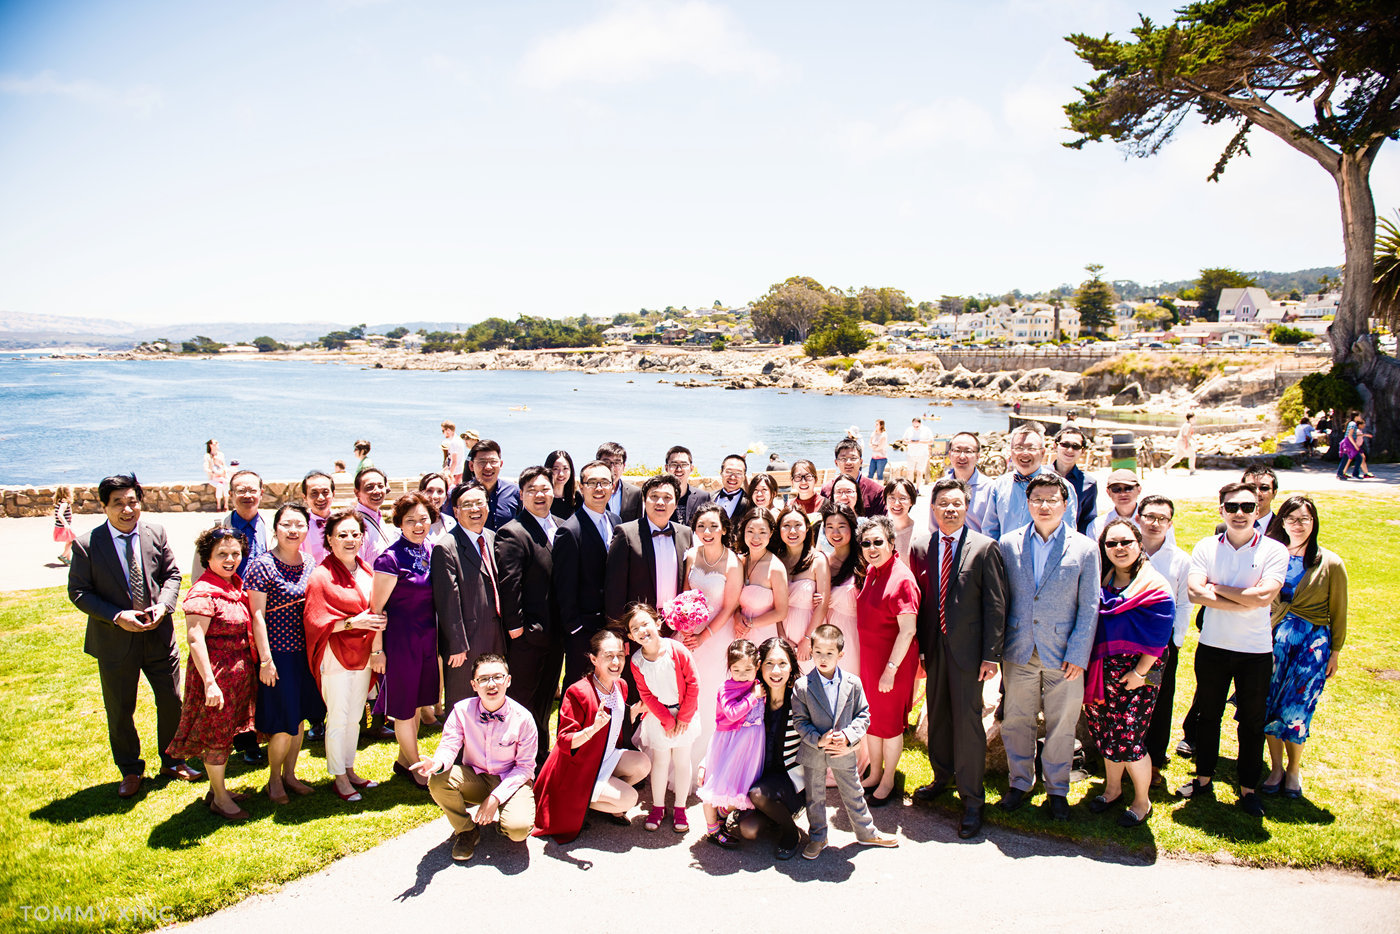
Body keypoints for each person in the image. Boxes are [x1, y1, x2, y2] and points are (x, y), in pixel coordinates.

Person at [68, 474, 198, 798]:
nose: (127, 510)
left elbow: (171, 574)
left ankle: (172, 760)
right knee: (120, 709)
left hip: (158, 637)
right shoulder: (86, 544)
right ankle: (129, 769)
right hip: (115, 642)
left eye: (132, 502)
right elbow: (79, 592)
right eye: (118, 504)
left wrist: (164, 606)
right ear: (104, 506)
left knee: (172, 699)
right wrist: (117, 616)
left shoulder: (156, 532)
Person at [1180, 482, 1288, 817]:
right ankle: (1202, 778)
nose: (1239, 514)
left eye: (1246, 507)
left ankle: (1248, 788)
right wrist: (1244, 598)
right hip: (1212, 646)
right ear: (1221, 510)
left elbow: (1264, 597)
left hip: (1255, 651)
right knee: (1208, 716)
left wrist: (1218, 588)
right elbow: (1195, 593)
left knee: (1252, 723)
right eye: (1231, 507)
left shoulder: (1274, 550)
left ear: (1258, 509)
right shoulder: (1206, 546)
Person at [996, 473, 1099, 822]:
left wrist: (1078, 653)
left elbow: (1089, 607)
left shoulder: (1084, 547)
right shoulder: (1008, 544)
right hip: (1019, 647)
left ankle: (1057, 789)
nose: (1044, 505)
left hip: (1064, 653)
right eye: (1037, 498)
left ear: (1065, 504)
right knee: (1016, 720)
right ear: (1027, 503)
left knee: (1062, 723)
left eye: (1052, 499)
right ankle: (1020, 782)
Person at [909, 477, 1007, 840]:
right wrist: (919, 649)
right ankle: (942, 776)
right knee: (938, 716)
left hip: (970, 654)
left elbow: (995, 606)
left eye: (956, 504)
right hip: (933, 650)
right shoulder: (921, 547)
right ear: (933, 510)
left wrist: (991, 656)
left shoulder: (984, 548)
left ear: (966, 508)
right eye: (942, 504)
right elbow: (920, 603)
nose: (949, 509)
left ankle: (972, 799)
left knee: (967, 724)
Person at [1083, 519, 1175, 828]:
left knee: (1131, 740)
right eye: (1111, 544)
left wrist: (1139, 672)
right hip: (1103, 671)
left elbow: (1160, 637)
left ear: (1139, 544)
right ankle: (1111, 790)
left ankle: (1141, 800)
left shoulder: (1154, 585)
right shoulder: (1103, 580)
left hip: (1140, 673)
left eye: (1126, 542)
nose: (1119, 549)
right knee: (1107, 732)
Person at [166, 526, 258, 820]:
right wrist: (210, 683)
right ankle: (219, 797)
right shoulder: (203, 592)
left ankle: (217, 790)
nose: (230, 559)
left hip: (238, 675)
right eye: (222, 554)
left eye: (235, 553)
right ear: (208, 558)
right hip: (217, 675)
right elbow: (195, 638)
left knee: (227, 734)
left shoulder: (233, 586)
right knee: (216, 737)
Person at [1261, 495, 1347, 798]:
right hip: (1271, 642)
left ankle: (1294, 769)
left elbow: (1339, 611)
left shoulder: (1331, 563)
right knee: (1269, 704)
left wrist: (1335, 652)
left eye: (1305, 519)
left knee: (1297, 708)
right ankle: (1275, 768)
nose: (1298, 525)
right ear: (1282, 521)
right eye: (1292, 518)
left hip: (1312, 646)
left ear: (1314, 523)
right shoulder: (1272, 555)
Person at [412, 654, 537, 861]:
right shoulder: (462, 711)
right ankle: (466, 831)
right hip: (476, 777)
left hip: (511, 780)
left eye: (498, 677)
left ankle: (505, 823)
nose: (491, 684)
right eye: (483, 679)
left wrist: (495, 798)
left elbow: (525, 768)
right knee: (438, 780)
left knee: (518, 830)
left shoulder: (523, 718)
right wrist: (437, 763)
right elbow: (449, 745)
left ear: (508, 680)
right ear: (473, 685)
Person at [533, 630, 651, 842]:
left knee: (643, 763)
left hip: (602, 758)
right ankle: (579, 803)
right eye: (608, 656)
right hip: (577, 769)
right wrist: (592, 729)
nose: (616, 661)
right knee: (630, 798)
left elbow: (615, 726)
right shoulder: (578, 692)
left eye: (620, 655)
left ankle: (604, 796)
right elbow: (564, 741)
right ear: (594, 659)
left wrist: (635, 711)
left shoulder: (620, 686)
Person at [793, 623, 898, 858]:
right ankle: (818, 836)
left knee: (854, 791)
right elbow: (800, 722)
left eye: (829, 653)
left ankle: (866, 832)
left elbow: (863, 715)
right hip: (815, 750)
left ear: (841, 654)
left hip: (844, 749)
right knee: (815, 797)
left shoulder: (853, 683)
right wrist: (818, 740)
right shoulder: (801, 686)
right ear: (811, 651)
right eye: (818, 652)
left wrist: (849, 735)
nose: (822, 658)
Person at [304, 509, 387, 803]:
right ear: (329, 539)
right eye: (342, 535)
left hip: (364, 652)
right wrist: (356, 623)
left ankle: (349, 768)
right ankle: (338, 776)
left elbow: (376, 608)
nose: (350, 539)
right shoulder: (321, 576)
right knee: (338, 716)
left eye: (355, 534)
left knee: (355, 716)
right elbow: (316, 623)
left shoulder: (366, 570)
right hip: (335, 654)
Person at [245, 504, 324, 805]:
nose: (293, 530)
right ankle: (274, 778)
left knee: (300, 719)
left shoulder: (309, 562)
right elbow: (257, 615)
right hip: (278, 656)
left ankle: (291, 774)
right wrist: (266, 660)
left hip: (306, 654)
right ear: (275, 528)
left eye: (299, 525)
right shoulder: (261, 565)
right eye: (286, 524)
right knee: (282, 723)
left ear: (307, 528)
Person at [371, 492, 441, 790]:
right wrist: (377, 650)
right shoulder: (389, 559)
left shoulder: (432, 550)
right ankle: (416, 767)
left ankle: (402, 761)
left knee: (416, 704)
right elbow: (375, 610)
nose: (417, 525)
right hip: (401, 642)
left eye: (423, 519)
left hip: (427, 638)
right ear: (399, 523)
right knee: (403, 706)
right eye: (410, 520)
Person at [495, 466, 563, 768]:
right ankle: (511, 761)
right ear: (521, 495)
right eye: (532, 489)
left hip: (556, 634)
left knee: (545, 701)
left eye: (545, 488)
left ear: (554, 491)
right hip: (527, 637)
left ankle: (539, 757)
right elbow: (510, 585)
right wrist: (517, 629)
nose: (540, 494)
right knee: (521, 701)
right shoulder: (513, 532)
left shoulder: (561, 527)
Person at [854, 515, 920, 806]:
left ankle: (889, 779)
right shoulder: (872, 571)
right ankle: (874, 772)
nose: (872, 547)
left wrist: (890, 671)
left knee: (890, 725)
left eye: (878, 541)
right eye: (866, 543)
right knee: (872, 721)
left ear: (892, 543)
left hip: (892, 665)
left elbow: (908, 630)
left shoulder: (902, 578)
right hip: (870, 663)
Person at [626, 603, 700, 834]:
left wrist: (683, 718)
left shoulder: (677, 650)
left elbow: (693, 684)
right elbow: (646, 694)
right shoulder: (637, 661)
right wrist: (667, 720)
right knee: (659, 761)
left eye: (645, 623)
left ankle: (680, 808)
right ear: (630, 636)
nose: (641, 630)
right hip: (659, 717)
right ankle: (658, 807)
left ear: (658, 624)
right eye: (634, 628)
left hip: (685, 714)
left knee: (681, 759)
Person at [431, 483, 505, 711]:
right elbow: (447, 602)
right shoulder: (446, 547)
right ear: (456, 511)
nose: (475, 509)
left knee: (493, 699)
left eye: (479, 503)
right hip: (466, 644)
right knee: (463, 704)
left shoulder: (493, 538)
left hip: (497, 635)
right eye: (467, 504)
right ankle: (462, 748)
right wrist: (456, 645)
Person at [1137, 494, 1193, 787]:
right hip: (1127, 640)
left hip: (1161, 643)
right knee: (1125, 697)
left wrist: (1176, 641)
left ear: (1170, 523)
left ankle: (1155, 761)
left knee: (1157, 699)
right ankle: (1122, 753)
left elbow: (1184, 603)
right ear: (1138, 518)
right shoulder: (1125, 551)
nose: (1155, 523)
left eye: (1162, 518)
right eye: (1150, 516)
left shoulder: (1180, 560)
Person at [735, 638, 808, 859]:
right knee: (748, 830)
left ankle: (790, 833)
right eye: (769, 663)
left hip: (790, 779)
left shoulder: (801, 701)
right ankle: (775, 815)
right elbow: (727, 734)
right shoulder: (753, 699)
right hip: (758, 776)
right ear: (760, 666)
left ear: (791, 666)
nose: (776, 670)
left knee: (757, 795)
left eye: (782, 663)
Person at [681, 502, 744, 753]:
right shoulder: (692, 555)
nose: (707, 531)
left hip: (717, 634)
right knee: (685, 689)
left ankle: (709, 755)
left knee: (710, 692)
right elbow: (686, 592)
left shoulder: (733, 562)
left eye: (713, 526)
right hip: (689, 632)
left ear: (724, 529)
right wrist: (685, 627)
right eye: (701, 526)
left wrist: (703, 636)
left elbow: (730, 606)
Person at [554, 460, 621, 693]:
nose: (599, 488)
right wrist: (575, 629)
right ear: (581, 488)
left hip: (611, 625)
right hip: (582, 630)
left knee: (607, 688)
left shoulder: (616, 522)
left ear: (613, 487)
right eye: (592, 483)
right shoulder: (570, 530)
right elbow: (564, 586)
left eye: (604, 482)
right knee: (578, 688)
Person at [696, 639, 766, 848]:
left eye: (748, 669)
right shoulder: (726, 688)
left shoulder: (758, 685)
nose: (742, 674)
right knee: (717, 786)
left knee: (741, 788)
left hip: (752, 746)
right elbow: (733, 713)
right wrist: (753, 697)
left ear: (758, 665)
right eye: (736, 669)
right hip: (729, 743)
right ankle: (713, 830)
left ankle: (721, 814)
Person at [604, 474, 694, 627]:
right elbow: (614, 590)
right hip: (638, 627)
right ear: (645, 500)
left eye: (667, 497)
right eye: (654, 496)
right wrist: (620, 632)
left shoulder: (686, 534)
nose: (660, 502)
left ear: (676, 502)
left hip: (675, 626)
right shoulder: (626, 533)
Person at [982, 423, 1079, 541]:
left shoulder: (1062, 486)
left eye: (1031, 448)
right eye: (1019, 448)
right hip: (1005, 556)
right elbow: (990, 529)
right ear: (1011, 452)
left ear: (1043, 452)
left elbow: (1068, 532)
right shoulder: (999, 485)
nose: (1025, 453)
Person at [776, 504, 829, 670]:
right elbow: (774, 603)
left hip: (809, 634)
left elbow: (823, 605)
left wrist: (807, 639)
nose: (792, 531)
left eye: (798, 525)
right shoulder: (776, 560)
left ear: (807, 528)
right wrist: (782, 636)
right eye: (786, 526)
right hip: (780, 633)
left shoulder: (818, 560)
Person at [735, 508, 790, 647]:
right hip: (737, 633)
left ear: (771, 533)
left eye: (762, 532)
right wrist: (736, 616)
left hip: (763, 637)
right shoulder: (740, 561)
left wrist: (751, 624)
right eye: (751, 531)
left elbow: (781, 612)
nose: (756, 538)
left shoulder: (775, 568)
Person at [820, 503, 861, 676]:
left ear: (852, 528)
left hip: (854, 635)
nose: (835, 533)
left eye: (841, 527)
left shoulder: (863, 562)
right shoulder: (824, 562)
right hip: (827, 637)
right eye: (830, 527)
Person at [942, 431, 992, 533]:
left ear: (978, 456)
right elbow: (934, 527)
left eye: (968, 451)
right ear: (950, 454)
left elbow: (993, 528)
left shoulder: (990, 488)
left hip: (979, 547)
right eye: (957, 450)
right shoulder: (940, 486)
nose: (962, 456)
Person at [1051, 427, 1098, 536]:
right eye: (1065, 445)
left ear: (1083, 451)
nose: (1069, 450)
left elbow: (1087, 521)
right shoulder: (1039, 476)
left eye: (1075, 446)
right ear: (1055, 446)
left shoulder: (1089, 484)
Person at [820, 439, 887, 515]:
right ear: (836, 462)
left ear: (861, 462)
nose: (848, 462)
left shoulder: (876, 491)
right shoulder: (827, 489)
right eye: (843, 459)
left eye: (853, 458)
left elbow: (882, 521)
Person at [469, 440, 520, 532]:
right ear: (471, 466)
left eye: (493, 461)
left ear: (501, 464)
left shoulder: (515, 491)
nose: (488, 467)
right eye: (482, 462)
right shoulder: (462, 494)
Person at [1088, 469, 1142, 541]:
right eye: (1116, 489)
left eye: (1128, 488)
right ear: (1108, 492)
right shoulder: (1097, 526)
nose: (1123, 494)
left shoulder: (1151, 522)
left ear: (1139, 490)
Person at [353, 467, 393, 564]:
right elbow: (354, 566)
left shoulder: (377, 516)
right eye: (369, 487)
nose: (377, 491)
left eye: (380, 486)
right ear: (357, 492)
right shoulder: (357, 524)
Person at [664, 445, 711, 525]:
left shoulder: (703, 497)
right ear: (666, 468)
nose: (679, 469)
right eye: (674, 464)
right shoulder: (658, 497)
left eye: (684, 464)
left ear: (691, 468)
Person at [597, 441, 642, 522]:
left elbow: (637, 525)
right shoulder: (587, 493)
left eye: (617, 463)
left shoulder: (635, 493)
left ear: (623, 466)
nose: (612, 467)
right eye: (606, 462)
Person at [301, 470, 336, 566]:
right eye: (314, 493)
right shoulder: (301, 527)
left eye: (325, 492)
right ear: (304, 497)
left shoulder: (343, 522)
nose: (320, 498)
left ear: (333, 494)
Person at [884, 478, 918, 562]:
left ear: (912, 501)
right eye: (891, 498)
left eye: (903, 498)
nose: (896, 503)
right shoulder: (881, 530)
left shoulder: (919, 533)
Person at [419, 472, 457, 547]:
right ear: (421, 493)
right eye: (430, 490)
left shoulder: (451, 522)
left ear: (446, 496)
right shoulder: (412, 523)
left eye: (440, 491)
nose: (435, 496)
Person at [711, 454, 753, 521]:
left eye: (738, 473)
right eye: (729, 472)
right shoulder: (709, 497)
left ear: (744, 476)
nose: (733, 477)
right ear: (721, 472)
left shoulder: (750, 503)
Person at [544, 449, 579, 521]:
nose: (561, 474)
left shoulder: (577, 498)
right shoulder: (543, 499)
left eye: (565, 468)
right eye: (555, 469)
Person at [901, 417, 934, 484]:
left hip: (922, 454)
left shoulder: (926, 430)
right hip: (911, 454)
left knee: (919, 472)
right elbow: (904, 440)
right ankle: (910, 488)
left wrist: (919, 441)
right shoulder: (909, 429)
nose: (915, 427)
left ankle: (918, 489)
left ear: (920, 424)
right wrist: (909, 441)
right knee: (910, 472)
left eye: (917, 426)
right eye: (914, 426)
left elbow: (931, 441)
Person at [53, 485, 75, 565]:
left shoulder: (59, 503)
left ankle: (68, 559)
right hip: (63, 527)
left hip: (60, 526)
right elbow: (60, 514)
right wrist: (65, 524)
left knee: (68, 542)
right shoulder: (64, 504)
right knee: (73, 541)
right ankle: (63, 556)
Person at [204, 439, 228, 512]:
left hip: (222, 476)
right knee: (219, 486)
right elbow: (206, 468)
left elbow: (224, 465)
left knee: (226, 484)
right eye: (215, 443)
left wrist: (224, 473)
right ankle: (218, 505)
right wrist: (213, 473)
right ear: (211, 445)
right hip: (213, 478)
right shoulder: (207, 456)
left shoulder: (221, 454)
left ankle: (226, 505)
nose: (217, 444)